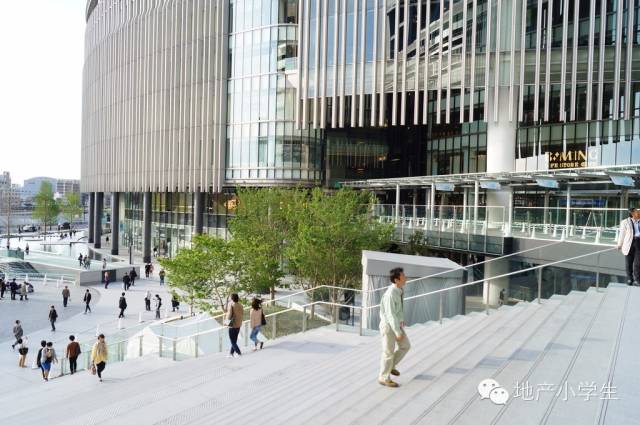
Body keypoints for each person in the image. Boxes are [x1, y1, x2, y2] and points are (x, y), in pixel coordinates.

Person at [378, 267, 411, 388]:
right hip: (388, 326)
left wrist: (401, 321)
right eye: (403, 276)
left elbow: (398, 310)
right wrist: (397, 331)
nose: (405, 277)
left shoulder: (399, 290)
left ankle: (391, 366)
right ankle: (383, 377)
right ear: (397, 280)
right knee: (388, 352)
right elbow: (390, 314)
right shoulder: (390, 294)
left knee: (405, 346)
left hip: (395, 324)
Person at [617, 207, 640, 286]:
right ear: (632, 214)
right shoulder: (625, 222)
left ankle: (637, 280)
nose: (639, 212)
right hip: (629, 243)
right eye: (637, 211)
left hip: (639, 242)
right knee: (628, 262)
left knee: (638, 262)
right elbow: (622, 234)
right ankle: (630, 279)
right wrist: (619, 244)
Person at [226, 293, 243, 358]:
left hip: (233, 325)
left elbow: (229, 314)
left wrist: (226, 323)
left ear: (232, 298)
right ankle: (231, 353)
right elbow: (241, 314)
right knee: (234, 340)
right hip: (238, 324)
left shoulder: (231, 305)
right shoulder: (240, 305)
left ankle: (238, 352)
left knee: (232, 341)